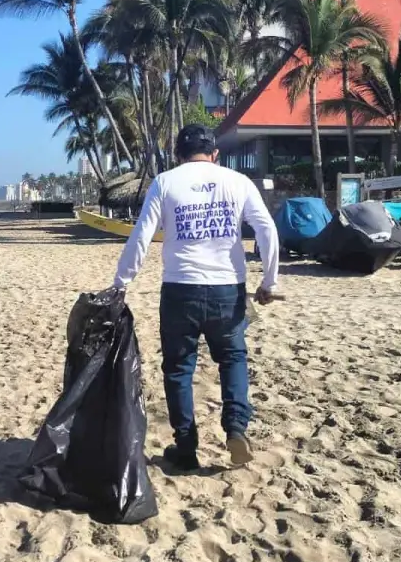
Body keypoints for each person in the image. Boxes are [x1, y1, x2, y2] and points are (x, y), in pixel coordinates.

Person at [112, 124, 280, 471]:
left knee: (178, 368)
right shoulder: (237, 182)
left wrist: (121, 282)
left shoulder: (165, 181)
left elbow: (141, 236)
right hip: (226, 289)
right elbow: (266, 228)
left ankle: (186, 447)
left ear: (178, 155)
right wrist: (269, 281)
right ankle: (235, 428)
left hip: (179, 289)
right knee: (232, 358)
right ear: (215, 154)